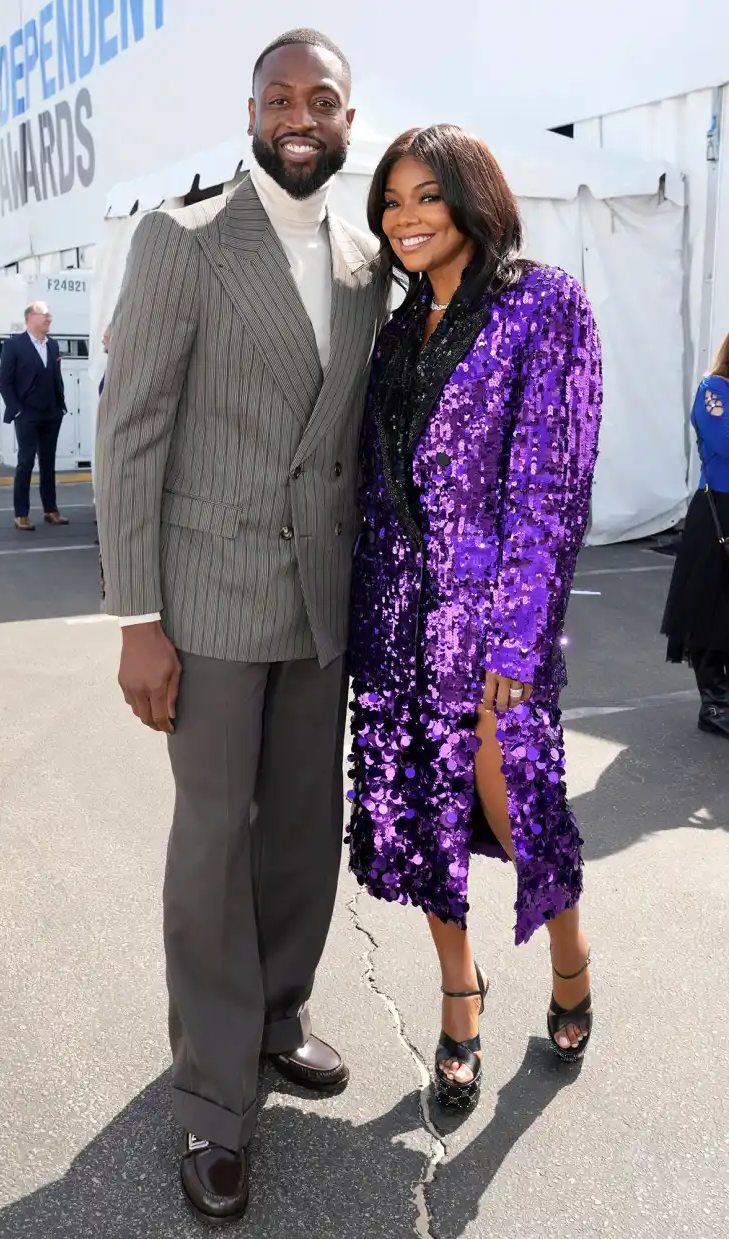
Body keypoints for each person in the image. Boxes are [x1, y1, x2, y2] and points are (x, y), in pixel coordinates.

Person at [96, 30, 387, 1224]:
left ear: (350, 118)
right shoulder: (185, 237)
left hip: (319, 600)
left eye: (322, 98)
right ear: (252, 112)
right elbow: (128, 432)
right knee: (212, 847)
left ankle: (275, 1014)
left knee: (299, 832)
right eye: (280, 98)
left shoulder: (371, 260)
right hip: (208, 604)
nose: (300, 115)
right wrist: (136, 619)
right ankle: (213, 1103)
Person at [346, 126, 603, 1109]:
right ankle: (460, 1001)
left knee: (521, 809)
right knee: (419, 826)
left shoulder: (542, 304)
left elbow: (551, 479)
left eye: (424, 198)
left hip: (491, 624)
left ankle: (569, 962)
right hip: (395, 622)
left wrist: (516, 635)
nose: (404, 219)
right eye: (391, 202)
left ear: (469, 199)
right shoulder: (393, 330)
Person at [662, 331, 729, 737]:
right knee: (710, 610)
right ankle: (716, 703)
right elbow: (724, 441)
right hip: (719, 510)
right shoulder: (714, 388)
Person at [0, 302, 68, 531]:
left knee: (48, 463)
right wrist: (17, 409)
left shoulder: (53, 345)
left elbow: (56, 377)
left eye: (49, 314)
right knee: (26, 462)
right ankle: (21, 514)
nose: (49, 318)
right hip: (26, 414)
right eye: (45, 314)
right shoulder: (14, 345)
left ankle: (51, 510)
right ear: (31, 317)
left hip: (51, 412)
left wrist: (60, 405)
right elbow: (5, 382)